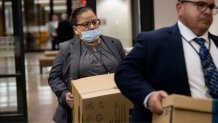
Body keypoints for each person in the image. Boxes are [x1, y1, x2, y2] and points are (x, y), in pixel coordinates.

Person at [115, 0, 218, 122]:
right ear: (180, 8)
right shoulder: (153, 41)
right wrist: (149, 96)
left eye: (211, 7)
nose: (207, 11)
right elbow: (124, 73)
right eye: (201, 5)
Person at [48, 7, 126, 123]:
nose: (92, 26)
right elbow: (54, 77)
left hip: (115, 106)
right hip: (85, 110)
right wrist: (64, 94)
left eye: (95, 22)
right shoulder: (66, 48)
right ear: (76, 29)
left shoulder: (114, 43)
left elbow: (127, 71)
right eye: (86, 24)